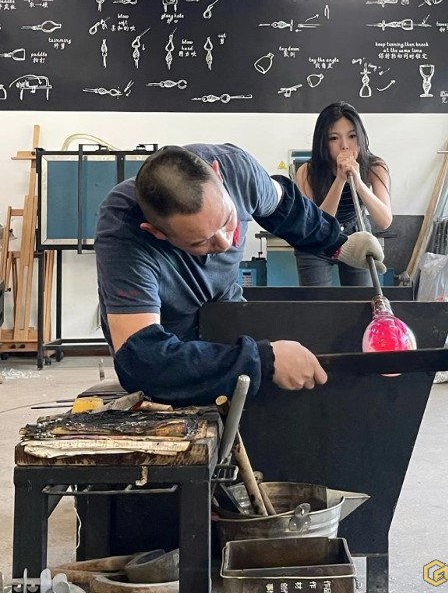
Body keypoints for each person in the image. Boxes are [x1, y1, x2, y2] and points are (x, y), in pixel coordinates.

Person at [94, 143, 385, 406]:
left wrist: (338, 243)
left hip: (227, 312)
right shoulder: (124, 232)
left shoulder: (238, 170)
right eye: (201, 242)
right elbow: (143, 358)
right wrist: (263, 361)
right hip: (179, 348)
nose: (224, 243)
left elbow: (286, 208)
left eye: (227, 220)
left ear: (218, 174)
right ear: (157, 233)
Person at [294, 101, 392, 286]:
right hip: (316, 241)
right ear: (322, 142)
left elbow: (385, 220)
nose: (345, 146)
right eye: (334, 138)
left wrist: (359, 183)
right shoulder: (307, 172)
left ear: (361, 137)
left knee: (360, 300)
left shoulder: (374, 167)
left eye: (352, 136)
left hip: (356, 236)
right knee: (316, 301)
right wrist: (339, 180)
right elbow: (317, 225)